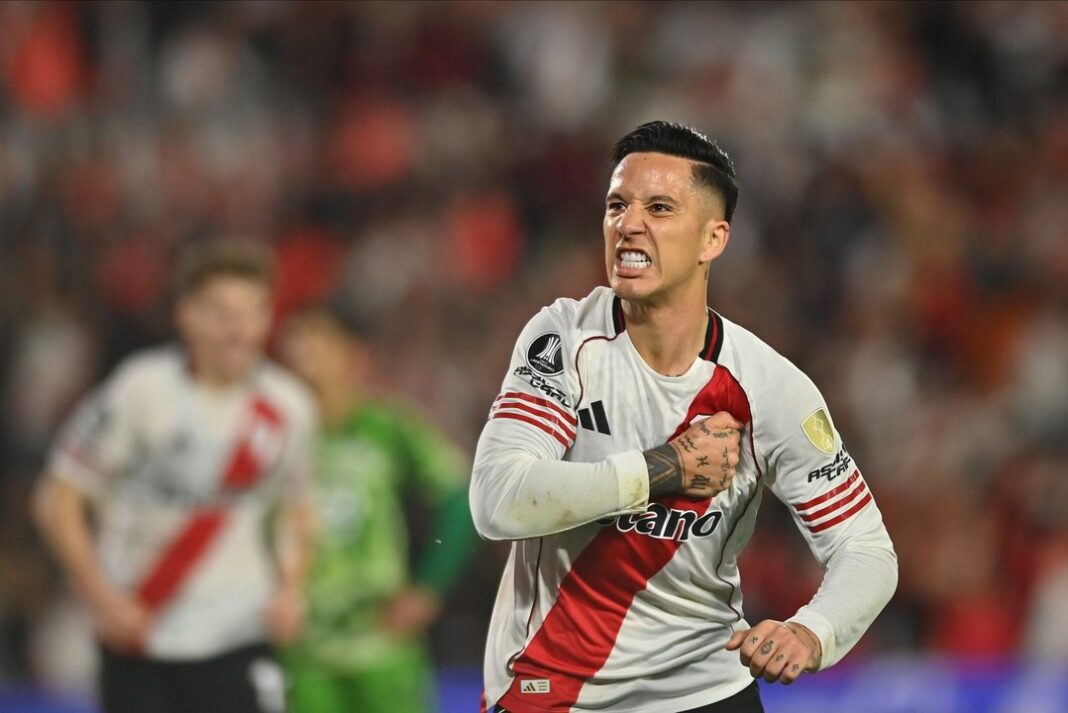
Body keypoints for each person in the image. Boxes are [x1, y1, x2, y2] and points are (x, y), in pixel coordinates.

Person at [469, 121, 898, 713]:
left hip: (704, 690)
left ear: (712, 239)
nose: (629, 223)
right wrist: (661, 470)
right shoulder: (565, 339)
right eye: (617, 204)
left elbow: (866, 547)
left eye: (660, 207)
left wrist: (812, 631)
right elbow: (498, 499)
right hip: (553, 690)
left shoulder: (769, 387)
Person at [33, 242, 318, 713]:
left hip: (237, 632)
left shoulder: (289, 407)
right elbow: (58, 498)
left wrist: (291, 588)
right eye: (223, 313)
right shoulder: (140, 391)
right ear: (186, 315)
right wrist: (100, 599)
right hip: (140, 630)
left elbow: (297, 509)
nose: (240, 329)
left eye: (254, 311)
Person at [278, 303, 478, 713]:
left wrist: (428, 588)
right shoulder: (275, 433)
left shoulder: (387, 428)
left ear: (355, 355)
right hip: (301, 648)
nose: (302, 352)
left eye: (317, 339)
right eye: (295, 341)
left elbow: (460, 499)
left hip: (381, 643)